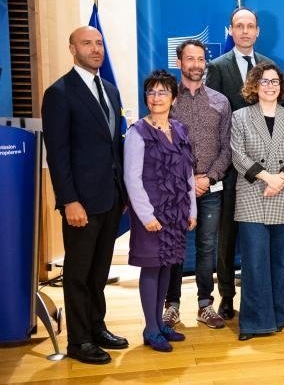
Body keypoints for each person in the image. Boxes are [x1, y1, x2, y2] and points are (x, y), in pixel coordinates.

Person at [41, 26, 128, 364]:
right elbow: (57, 154)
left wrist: (121, 191)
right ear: (72, 48)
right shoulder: (60, 93)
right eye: (86, 43)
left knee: (98, 270)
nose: (95, 49)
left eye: (99, 43)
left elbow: (114, 145)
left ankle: (96, 326)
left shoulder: (109, 89)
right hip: (81, 201)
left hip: (109, 197)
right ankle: (79, 342)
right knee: (78, 273)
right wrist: (69, 200)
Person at [231, 63, 284, 341]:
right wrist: (267, 178)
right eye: (264, 81)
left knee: (279, 263)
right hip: (253, 196)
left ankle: (277, 315)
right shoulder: (240, 117)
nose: (270, 86)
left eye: (275, 81)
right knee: (254, 263)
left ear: (281, 86)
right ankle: (253, 323)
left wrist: (281, 180)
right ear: (254, 85)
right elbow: (237, 155)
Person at [205, 7, 274, 319]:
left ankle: (260, 295)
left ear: (257, 31)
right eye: (239, 26)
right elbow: (214, 121)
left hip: (266, 170)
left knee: (259, 236)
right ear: (230, 30)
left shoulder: (270, 68)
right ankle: (227, 297)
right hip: (233, 167)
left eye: (250, 26)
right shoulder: (217, 67)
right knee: (228, 236)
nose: (245, 31)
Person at [124, 70, 197, 352]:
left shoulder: (179, 129)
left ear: (173, 98)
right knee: (152, 267)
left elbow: (188, 174)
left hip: (176, 213)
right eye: (152, 92)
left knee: (167, 265)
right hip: (151, 214)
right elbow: (132, 178)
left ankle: (159, 323)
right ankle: (151, 328)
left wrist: (191, 210)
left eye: (162, 92)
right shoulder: (137, 133)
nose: (156, 98)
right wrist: (146, 216)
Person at [163, 39, 231, 329]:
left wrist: (208, 177)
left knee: (206, 247)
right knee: (175, 247)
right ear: (179, 63)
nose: (196, 65)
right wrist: (188, 180)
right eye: (190, 59)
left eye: (201, 59)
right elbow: (161, 148)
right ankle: (171, 306)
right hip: (176, 191)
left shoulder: (220, 101)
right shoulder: (166, 101)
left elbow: (228, 148)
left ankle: (205, 304)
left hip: (211, 189)